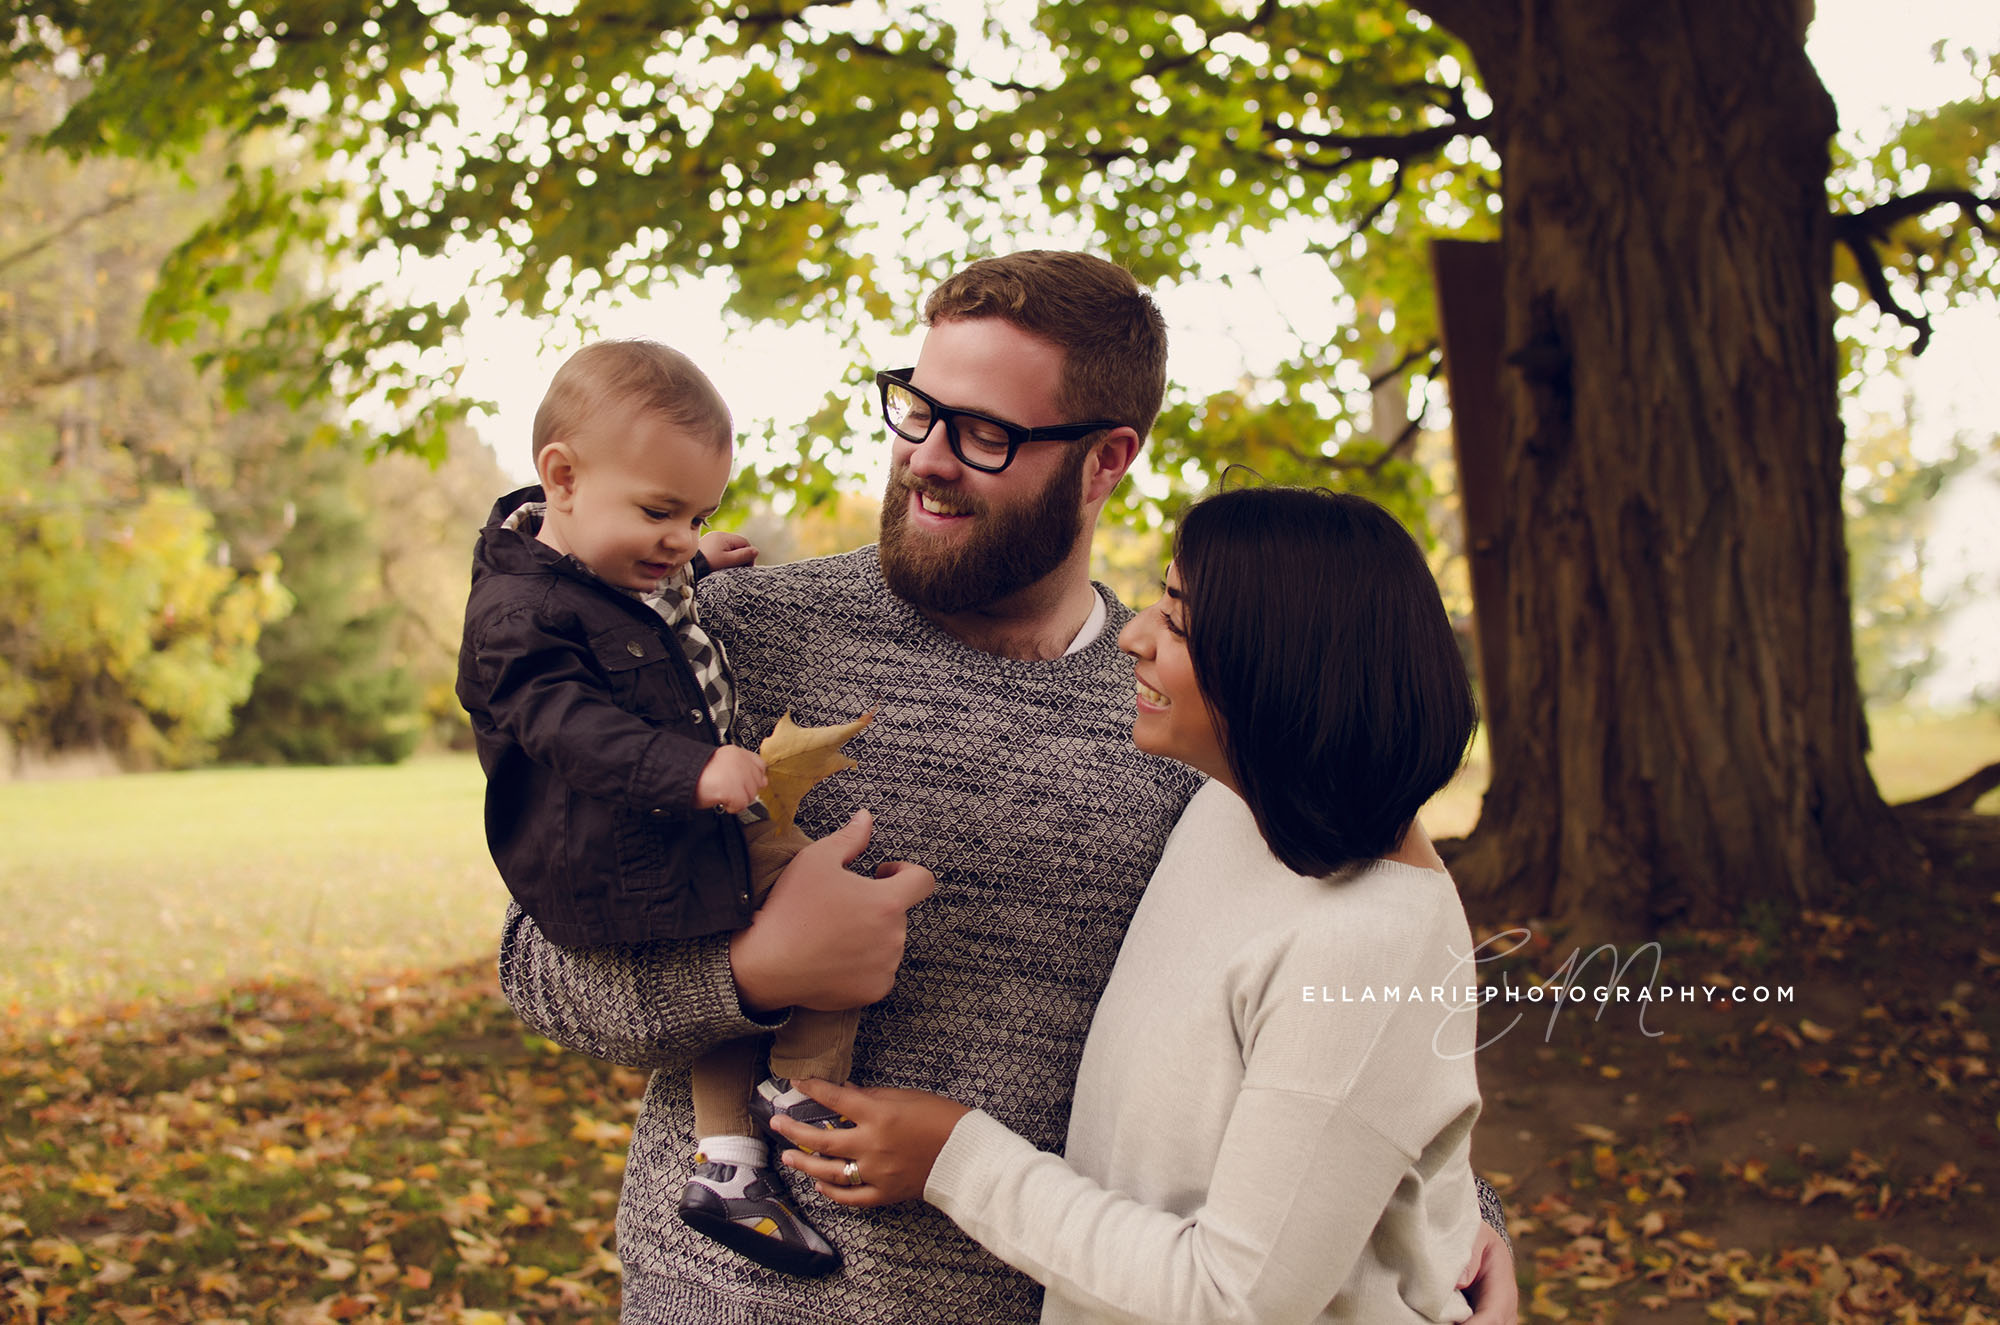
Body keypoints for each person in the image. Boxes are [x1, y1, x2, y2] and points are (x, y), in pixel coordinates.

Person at [496, 252, 1519, 1324]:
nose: (925, 460)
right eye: (915, 410)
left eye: (983, 434)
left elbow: (1331, 1020)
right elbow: (537, 964)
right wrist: (751, 971)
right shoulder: (729, 643)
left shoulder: (1187, 715)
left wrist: (1445, 1215)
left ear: (1106, 458)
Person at [775, 484, 1490, 1322]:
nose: (1134, 636)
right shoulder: (1239, 806)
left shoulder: (1370, 943)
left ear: (1287, 665)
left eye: (1179, 621)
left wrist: (954, 1156)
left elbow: (1233, 1298)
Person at [456, 339, 935, 1278]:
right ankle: (786, 1105)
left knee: (823, 913)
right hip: (622, 846)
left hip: (675, 827)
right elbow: (566, 722)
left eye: (697, 514)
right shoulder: (516, 613)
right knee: (772, 939)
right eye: (659, 512)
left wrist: (690, 566)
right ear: (560, 477)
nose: (676, 536)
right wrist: (688, 771)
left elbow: (640, 620)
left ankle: (741, 1150)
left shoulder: (616, 571)